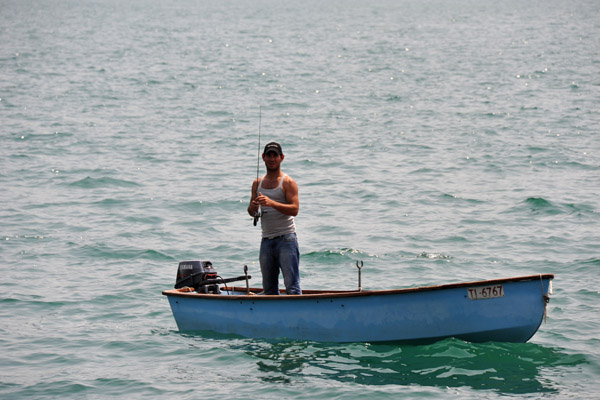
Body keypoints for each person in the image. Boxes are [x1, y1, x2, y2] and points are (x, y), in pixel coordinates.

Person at [247, 142, 301, 295]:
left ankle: (297, 316)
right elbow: (251, 212)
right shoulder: (257, 183)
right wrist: (253, 208)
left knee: (292, 287)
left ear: (281, 158)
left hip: (287, 239)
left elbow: (295, 209)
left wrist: (271, 203)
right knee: (269, 289)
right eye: (268, 155)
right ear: (263, 157)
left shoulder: (288, 182)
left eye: (275, 156)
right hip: (266, 240)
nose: (271, 159)